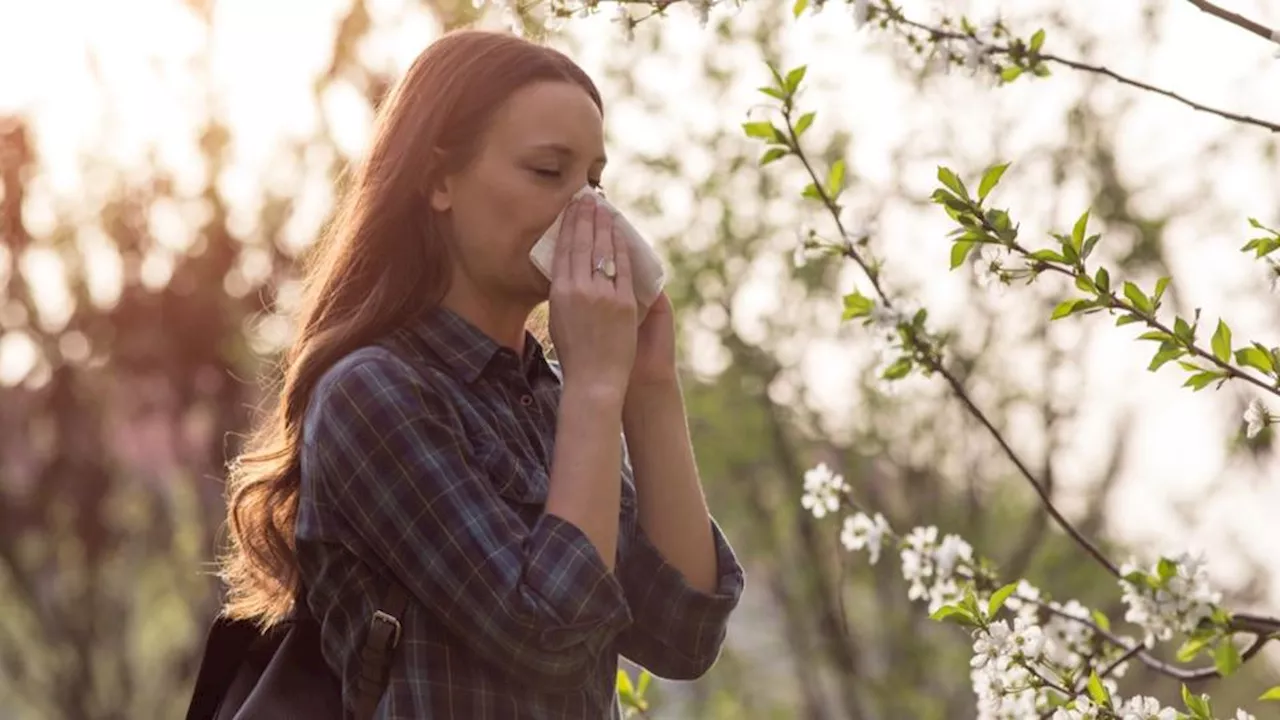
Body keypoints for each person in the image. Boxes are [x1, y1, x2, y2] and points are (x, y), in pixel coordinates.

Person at [215, 28, 746, 719]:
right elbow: (547, 637)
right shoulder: (375, 394)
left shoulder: (551, 401)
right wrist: (592, 390)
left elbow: (685, 635)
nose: (588, 211)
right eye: (548, 172)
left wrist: (649, 392)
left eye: (594, 180)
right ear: (439, 180)